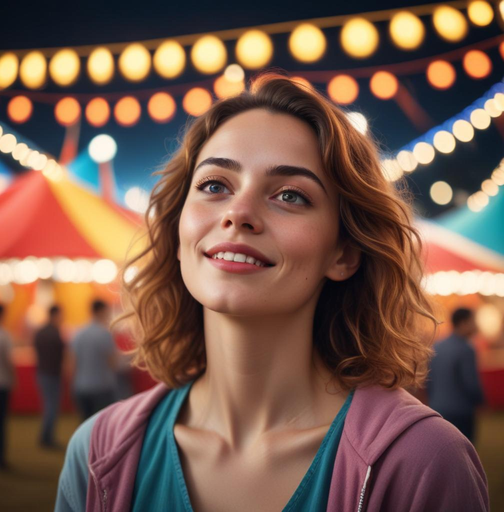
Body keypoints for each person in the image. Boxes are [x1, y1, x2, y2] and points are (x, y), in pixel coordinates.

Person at [56, 74, 489, 511]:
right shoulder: (96, 456)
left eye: (289, 195)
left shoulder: (422, 462)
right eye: (214, 186)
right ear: (177, 227)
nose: (238, 213)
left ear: (344, 253)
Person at [427, 307, 485, 444]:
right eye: (473, 321)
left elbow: (428, 380)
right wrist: (481, 401)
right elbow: (471, 383)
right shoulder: (466, 349)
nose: (476, 325)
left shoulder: (437, 346)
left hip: (438, 408)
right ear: (463, 323)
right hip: (461, 411)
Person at [69, 300, 118, 422]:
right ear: (101, 311)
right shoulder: (105, 334)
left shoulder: (79, 333)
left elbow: (72, 362)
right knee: (102, 426)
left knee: (85, 424)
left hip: (82, 385)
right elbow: (113, 362)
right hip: (102, 386)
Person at [34, 305, 65, 449]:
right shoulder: (54, 332)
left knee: (48, 405)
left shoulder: (40, 331)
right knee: (51, 406)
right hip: (52, 373)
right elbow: (61, 354)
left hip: (42, 372)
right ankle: (47, 438)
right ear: (55, 314)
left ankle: (45, 436)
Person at [0, 303, 15, 470]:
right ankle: (0, 459)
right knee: (1, 423)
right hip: (1, 384)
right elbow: (8, 361)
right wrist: (13, 379)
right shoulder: (3, 335)